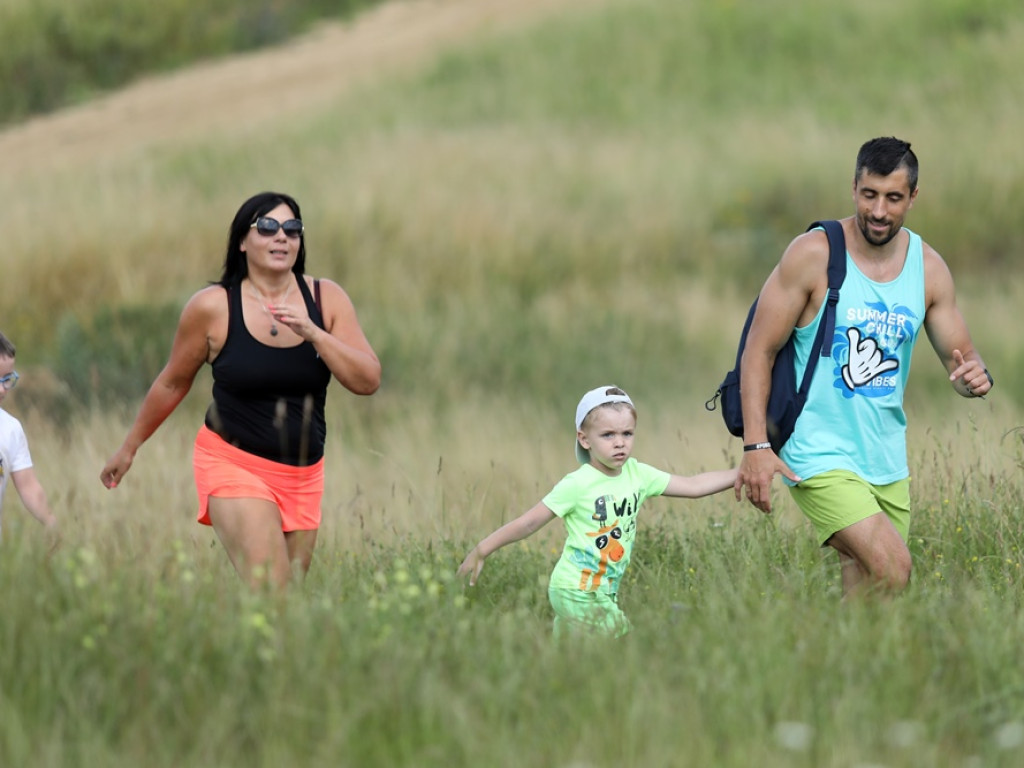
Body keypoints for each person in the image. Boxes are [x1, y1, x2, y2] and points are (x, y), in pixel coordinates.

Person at [735, 136, 992, 598]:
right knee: (893, 567)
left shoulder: (929, 269)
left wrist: (975, 379)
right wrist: (756, 445)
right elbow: (758, 350)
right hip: (816, 451)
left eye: (893, 198)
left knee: (873, 594)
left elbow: (963, 361)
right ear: (854, 187)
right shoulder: (813, 254)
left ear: (913, 197)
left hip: (884, 456)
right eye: (869, 194)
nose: (878, 210)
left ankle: (832, 649)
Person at [100, 191, 381, 590]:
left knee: (285, 603)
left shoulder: (325, 298)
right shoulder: (213, 307)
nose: (281, 236)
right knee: (273, 591)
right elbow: (172, 382)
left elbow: (368, 380)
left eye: (292, 229)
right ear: (242, 241)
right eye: (267, 227)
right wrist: (129, 448)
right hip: (234, 464)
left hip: (303, 475)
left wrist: (315, 334)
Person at [458, 385, 738, 638]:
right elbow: (529, 523)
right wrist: (481, 551)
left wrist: (744, 472)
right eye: (608, 435)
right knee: (624, 644)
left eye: (627, 433)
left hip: (603, 589)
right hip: (577, 589)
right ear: (584, 439)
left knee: (574, 661)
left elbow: (693, 485)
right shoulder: (577, 484)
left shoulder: (638, 474)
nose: (620, 442)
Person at [0, 332, 60, 551]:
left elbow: (28, 485)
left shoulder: (10, 429)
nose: (2, 389)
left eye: (7, 379)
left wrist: (50, 521)